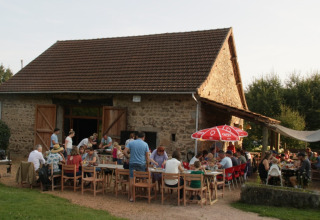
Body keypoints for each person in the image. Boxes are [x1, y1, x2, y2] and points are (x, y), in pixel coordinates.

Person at [123, 131, 149, 202]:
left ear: (137, 136)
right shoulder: (145, 144)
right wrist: (147, 165)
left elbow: (124, 151)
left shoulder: (131, 143)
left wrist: (128, 157)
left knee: (131, 179)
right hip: (141, 163)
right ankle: (145, 193)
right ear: (143, 137)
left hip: (132, 163)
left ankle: (132, 197)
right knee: (143, 178)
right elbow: (147, 157)